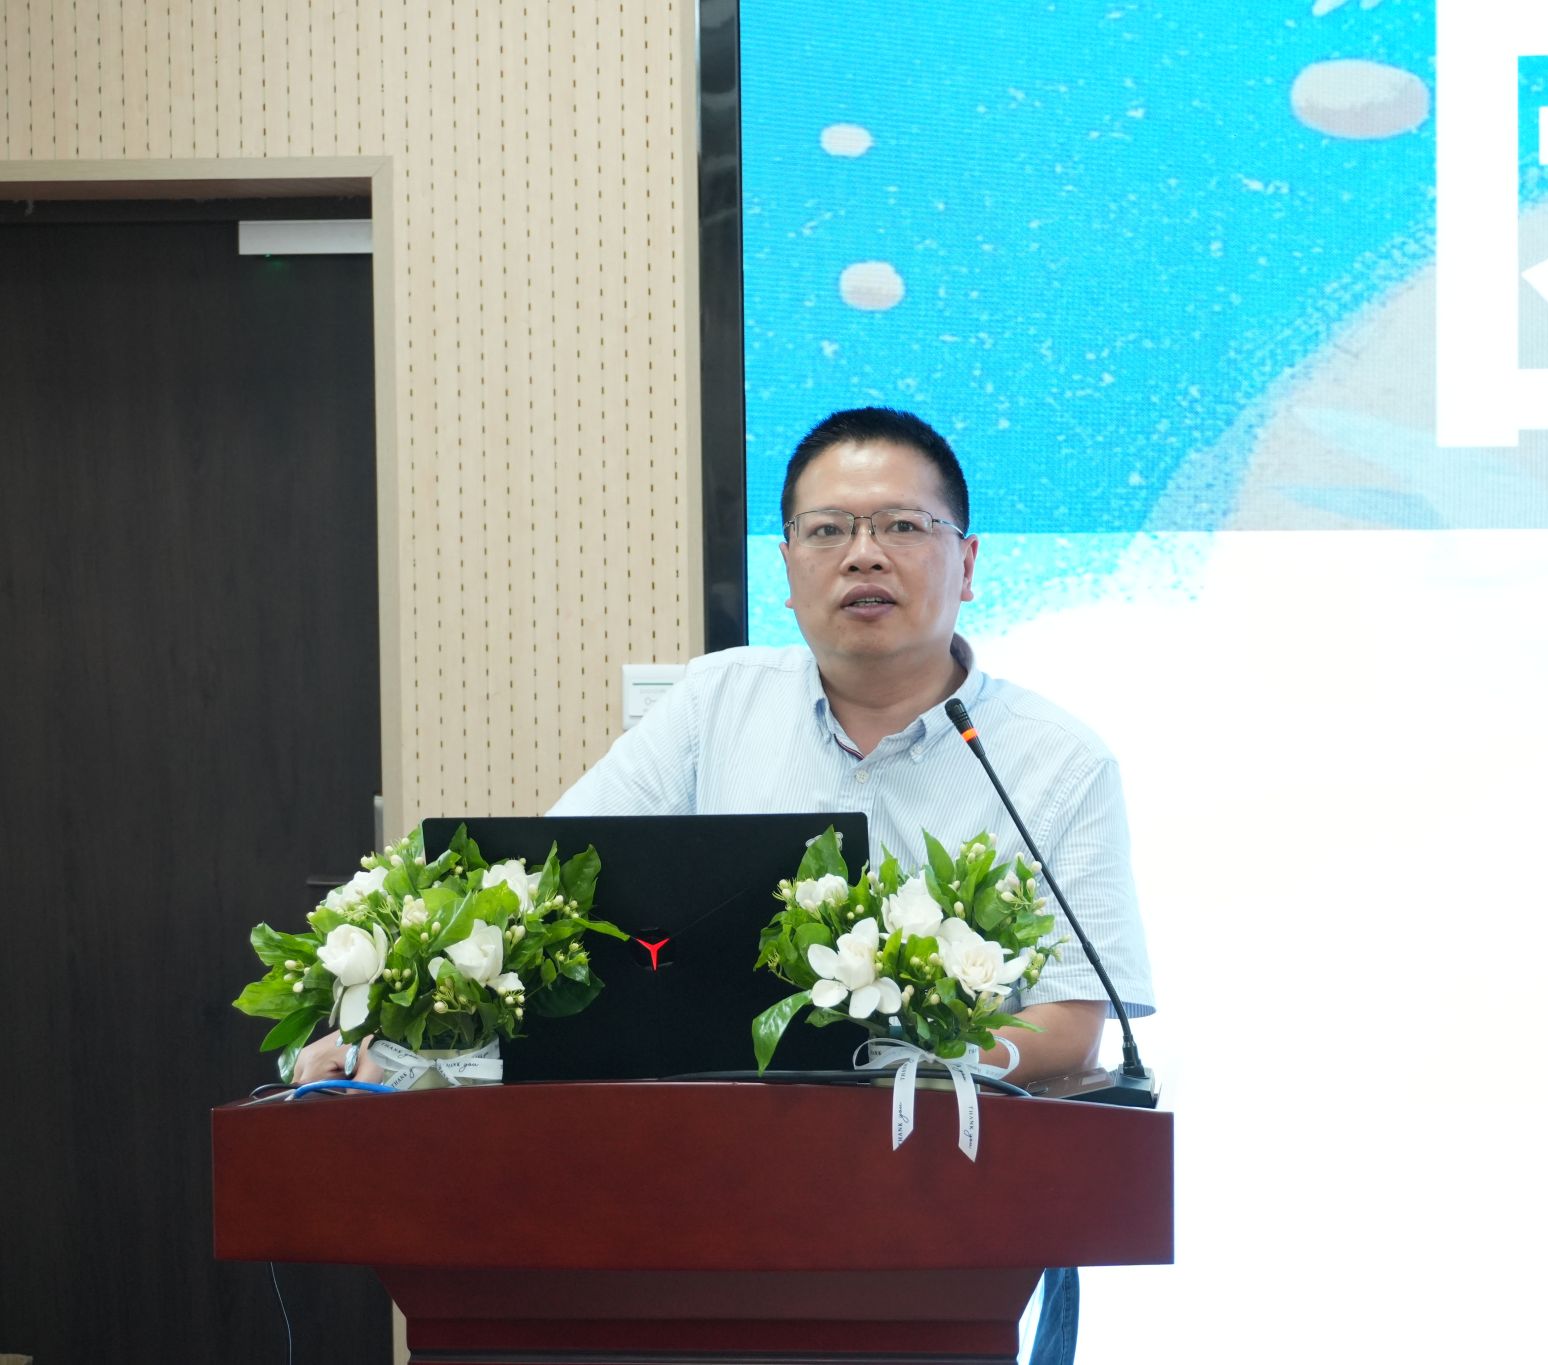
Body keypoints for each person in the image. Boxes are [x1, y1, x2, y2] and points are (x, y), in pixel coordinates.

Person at [295, 407, 1153, 1362]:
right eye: (828, 529)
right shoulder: (715, 705)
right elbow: (533, 891)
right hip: (672, 1204)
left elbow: (1072, 1023)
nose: (863, 554)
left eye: (903, 525)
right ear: (787, 565)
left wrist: (893, 1068)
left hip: (929, 1214)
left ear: (968, 561)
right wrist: (396, 1032)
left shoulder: (1057, 761)